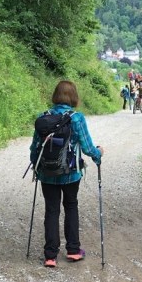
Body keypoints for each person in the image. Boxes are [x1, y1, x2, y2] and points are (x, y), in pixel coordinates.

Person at [29, 79, 103, 267]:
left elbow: (35, 147)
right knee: (71, 206)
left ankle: (50, 256)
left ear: (55, 95)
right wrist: (98, 154)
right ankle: (73, 250)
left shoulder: (43, 117)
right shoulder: (76, 118)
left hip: (47, 174)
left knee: (51, 210)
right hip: (71, 173)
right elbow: (87, 147)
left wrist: (36, 166)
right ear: (74, 96)